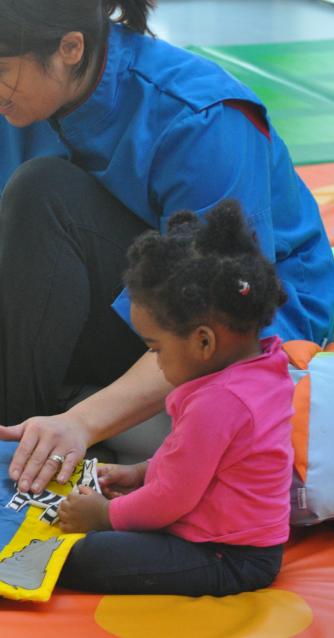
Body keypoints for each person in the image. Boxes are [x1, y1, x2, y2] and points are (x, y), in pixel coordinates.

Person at [0, 0, 334, 492]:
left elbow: (222, 316)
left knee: (43, 191)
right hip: (99, 307)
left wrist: (80, 423)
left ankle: (41, 437)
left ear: (69, 48)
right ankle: (31, 430)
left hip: (220, 321)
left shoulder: (200, 116)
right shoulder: (7, 102)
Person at [56, 200, 293, 596]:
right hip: (235, 542)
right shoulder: (261, 366)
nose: (154, 360)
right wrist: (140, 472)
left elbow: (171, 499)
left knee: (87, 557)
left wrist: (105, 515)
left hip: (228, 556)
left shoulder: (220, 401)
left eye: (155, 348)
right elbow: (197, 457)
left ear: (203, 341)